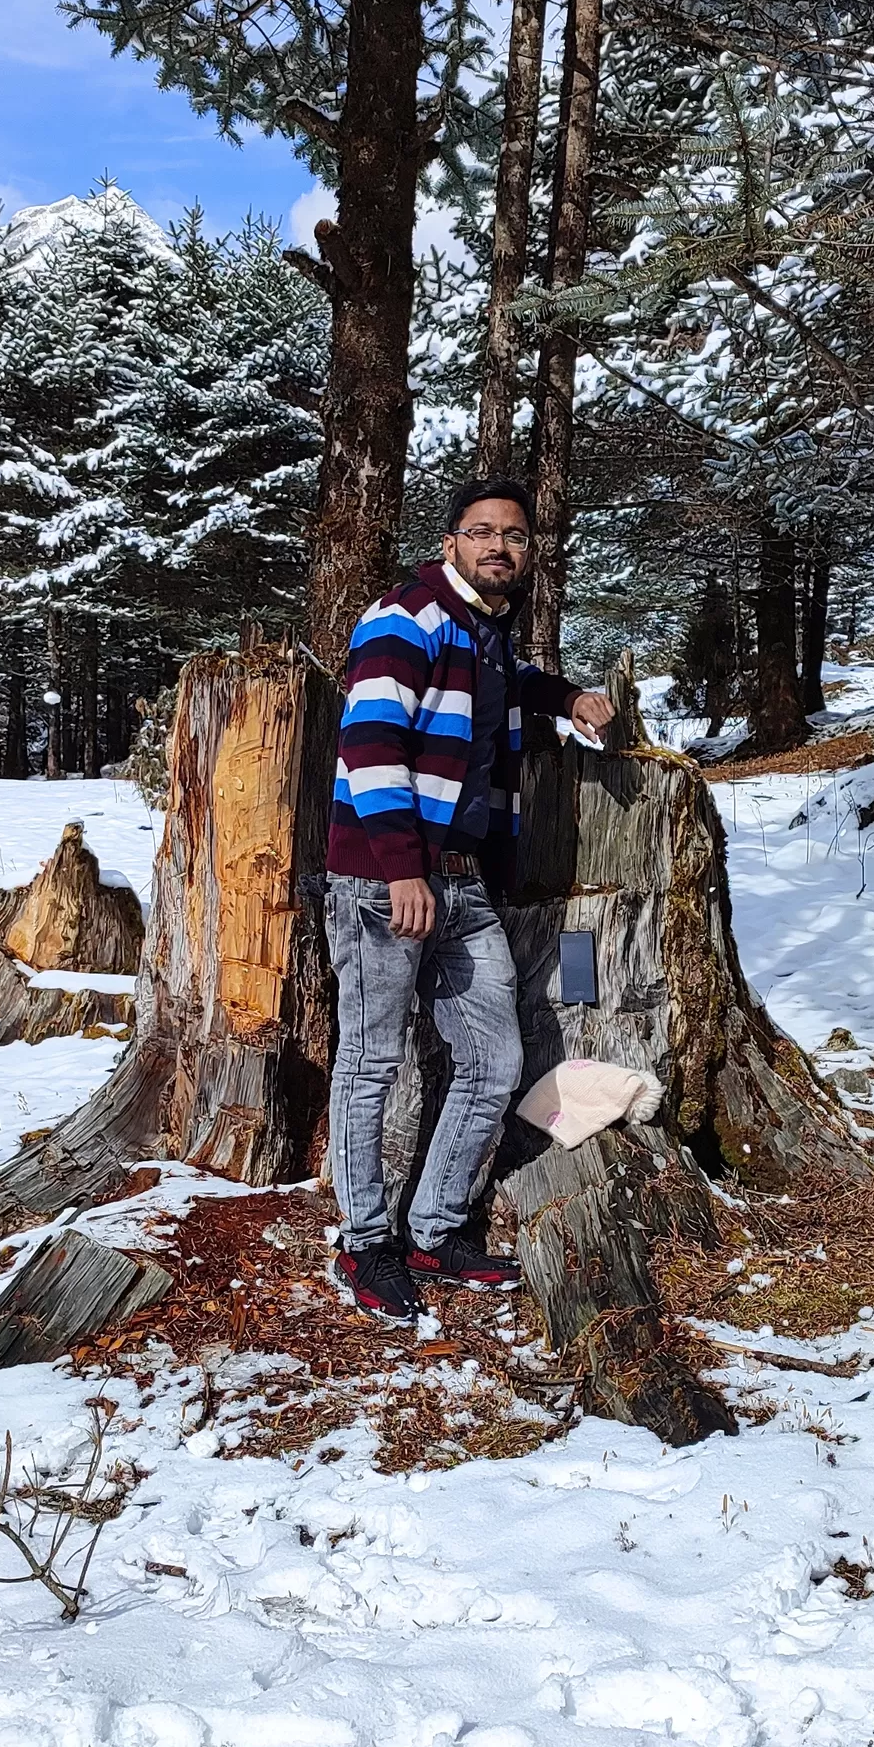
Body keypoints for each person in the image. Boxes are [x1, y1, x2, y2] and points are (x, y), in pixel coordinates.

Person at [324, 477, 615, 1321]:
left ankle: (434, 1229)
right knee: (371, 1061)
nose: (499, 547)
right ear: (451, 542)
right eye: (481, 533)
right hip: (386, 882)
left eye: (514, 537)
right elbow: (369, 747)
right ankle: (364, 1243)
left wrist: (568, 699)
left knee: (493, 1058)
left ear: (528, 553)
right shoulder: (404, 618)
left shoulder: (482, 632)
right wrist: (400, 868)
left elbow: (512, 685)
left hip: (460, 882)